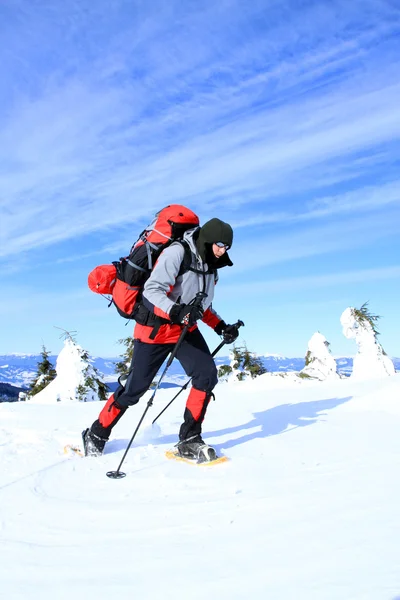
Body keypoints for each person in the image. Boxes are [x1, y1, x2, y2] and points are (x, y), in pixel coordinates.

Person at [82, 217, 240, 462]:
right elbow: (152, 291)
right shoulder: (177, 253)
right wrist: (177, 311)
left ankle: (189, 439)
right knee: (134, 390)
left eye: (227, 247)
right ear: (208, 239)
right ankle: (97, 433)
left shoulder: (211, 266)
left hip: (185, 329)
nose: (222, 250)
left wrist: (221, 326)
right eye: (220, 244)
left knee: (206, 375)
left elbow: (202, 305)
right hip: (154, 331)